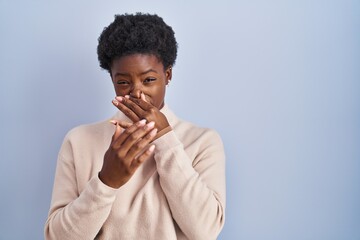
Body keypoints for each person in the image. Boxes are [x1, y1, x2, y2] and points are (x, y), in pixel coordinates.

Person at [44, 13, 226, 240]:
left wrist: (165, 138)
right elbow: (58, 237)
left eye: (149, 80)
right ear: (112, 80)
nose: (137, 92)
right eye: (123, 82)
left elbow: (206, 231)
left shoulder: (202, 142)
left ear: (167, 75)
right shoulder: (79, 141)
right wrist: (106, 181)